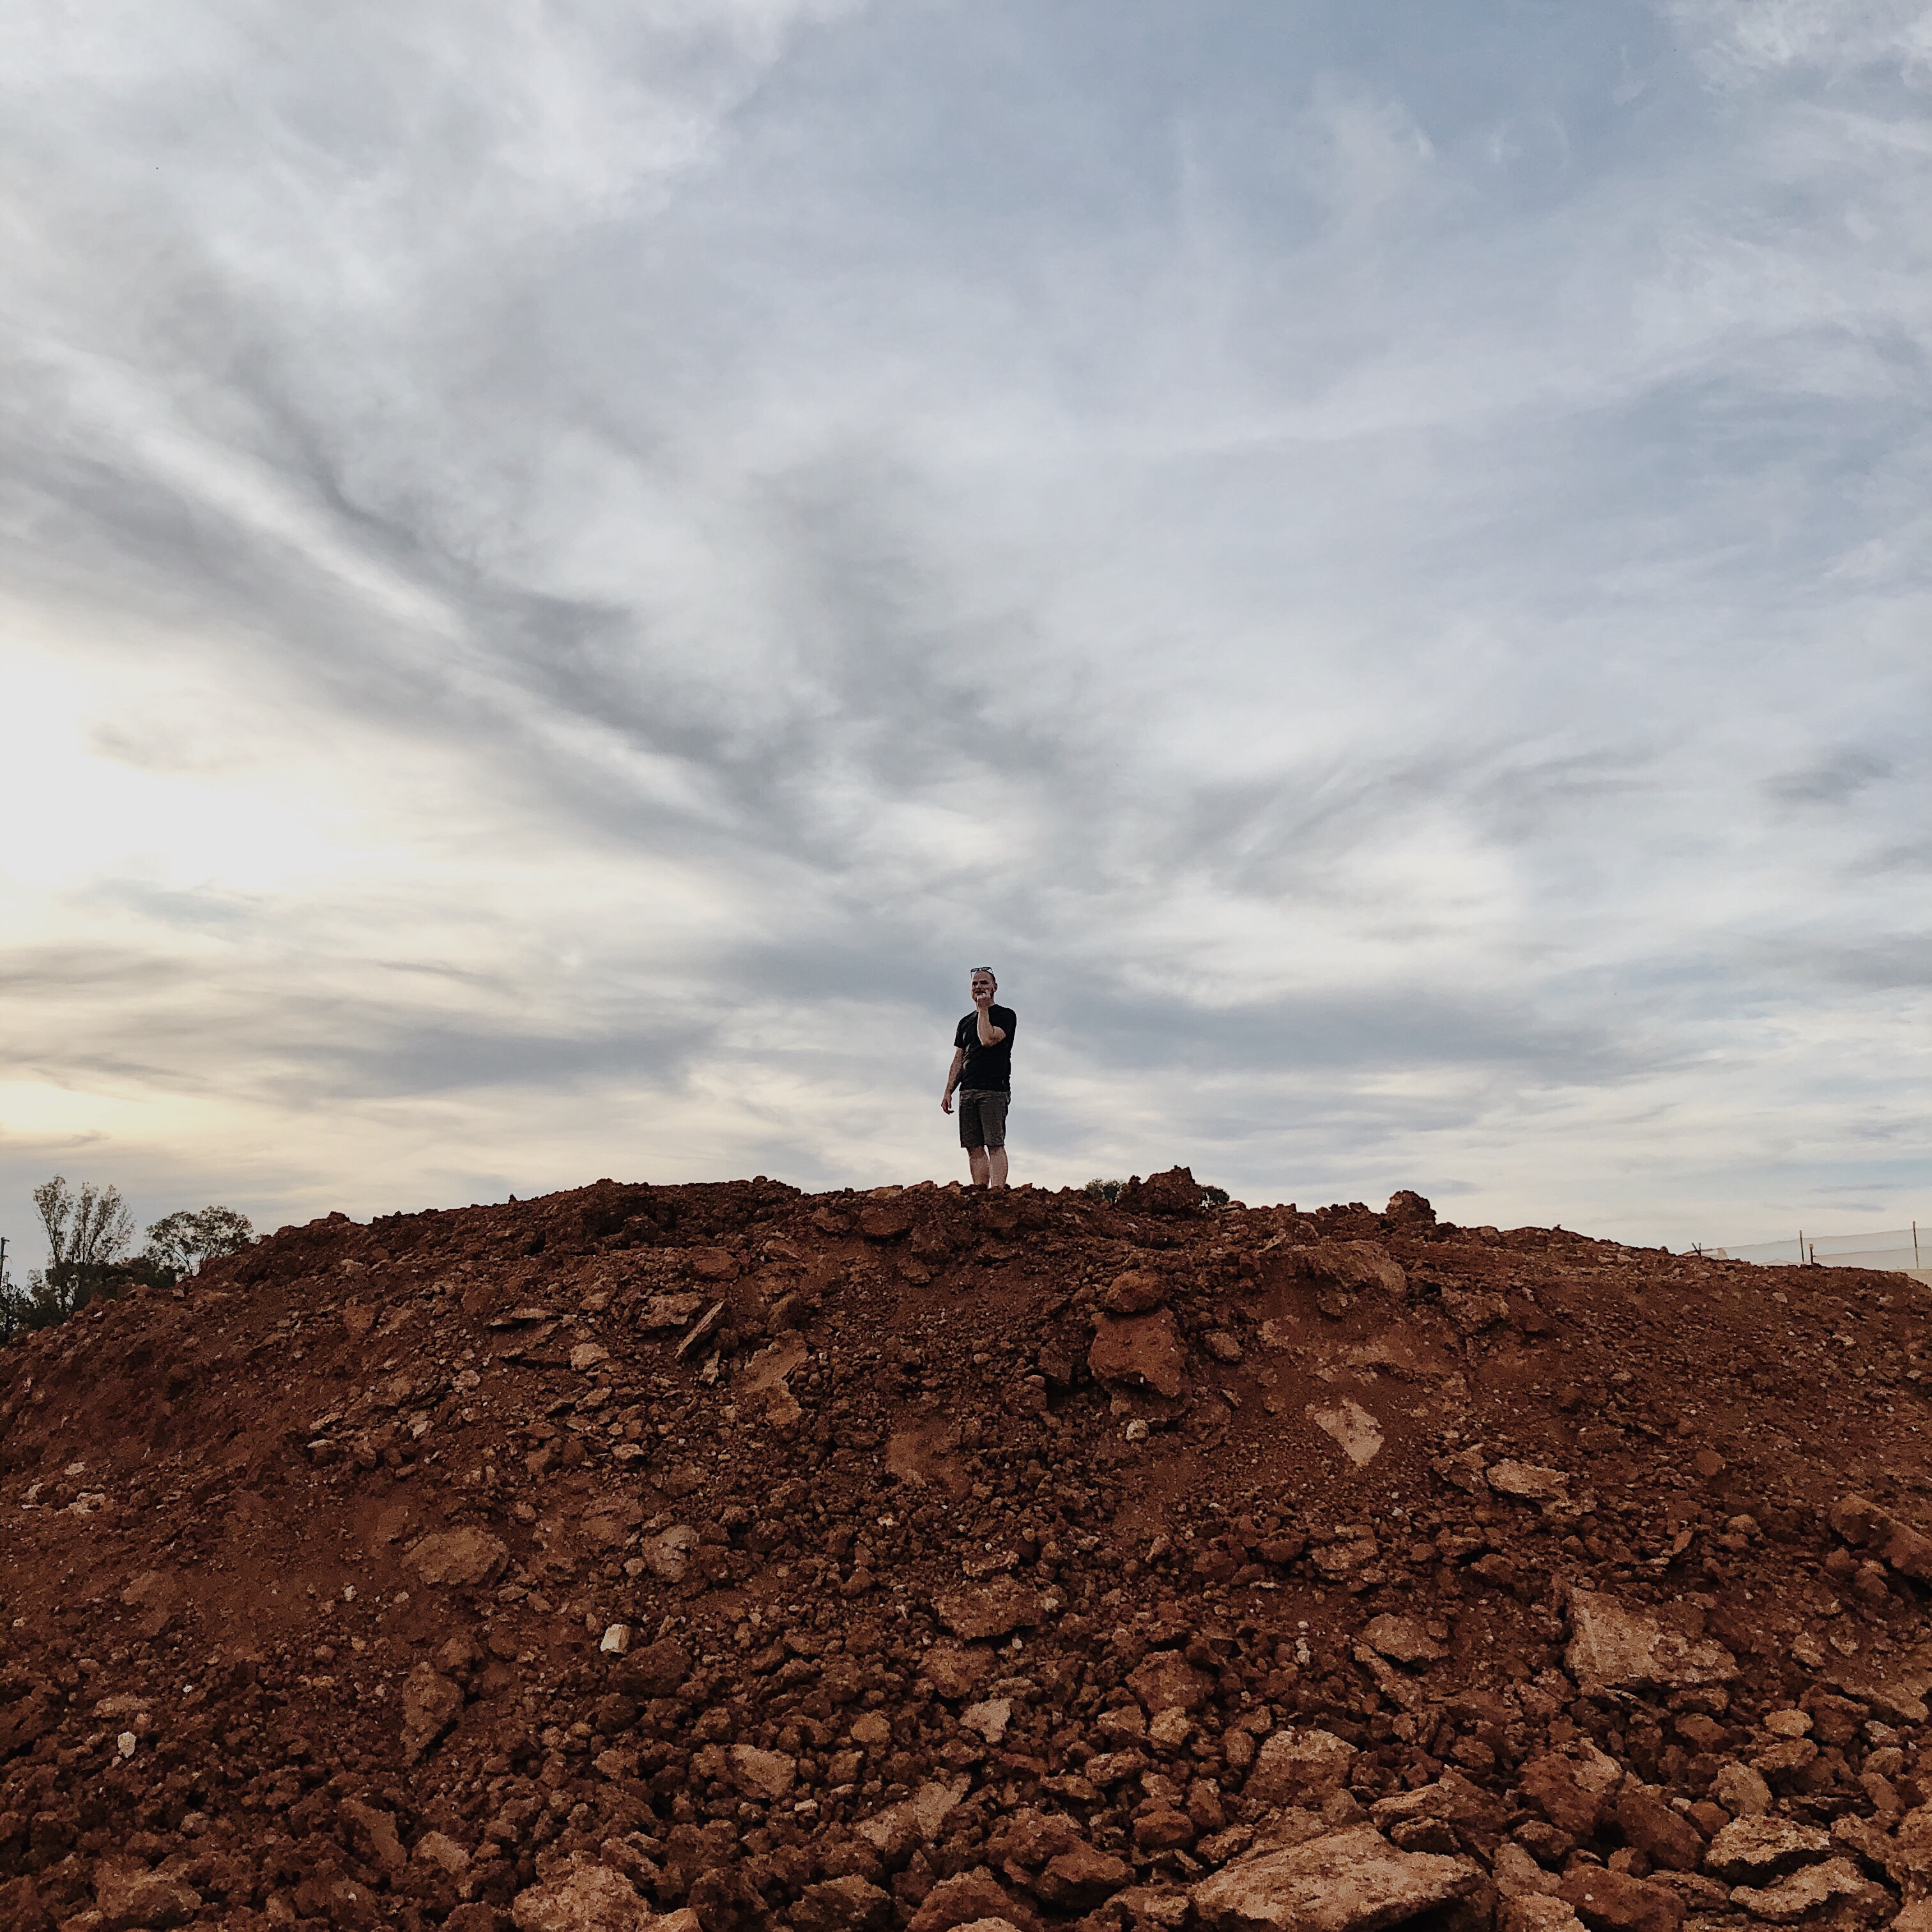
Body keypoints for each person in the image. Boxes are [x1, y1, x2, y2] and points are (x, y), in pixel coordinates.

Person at [941, 967, 1016, 1189]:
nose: (979, 987)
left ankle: (997, 1192)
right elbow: (958, 1058)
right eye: (975, 984)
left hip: (994, 1089)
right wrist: (948, 1091)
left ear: (995, 987)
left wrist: (983, 1011)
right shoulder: (964, 1023)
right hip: (968, 1089)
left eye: (984, 983)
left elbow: (988, 1039)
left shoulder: (1006, 1015)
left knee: (994, 1143)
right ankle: (980, 1191)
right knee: (973, 1146)